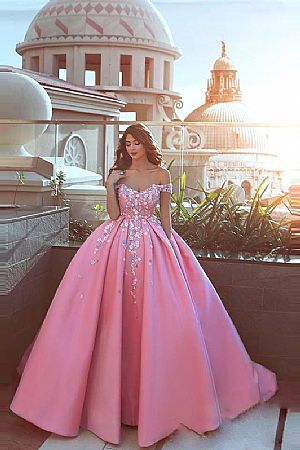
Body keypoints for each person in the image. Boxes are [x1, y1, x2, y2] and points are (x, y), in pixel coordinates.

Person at [10, 123, 277, 448]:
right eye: (128, 142)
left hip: (154, 247)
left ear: (146, 144)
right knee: (106, 316)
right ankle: (99, 402)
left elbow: (165, 217)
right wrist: (111, 186)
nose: (132, 147)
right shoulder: (119, 174)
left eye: (136, 142)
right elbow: (111, 215)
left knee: (159, 318)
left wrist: (173, 249)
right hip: (115, 245)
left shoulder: (161, 174)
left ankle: (163, 403)